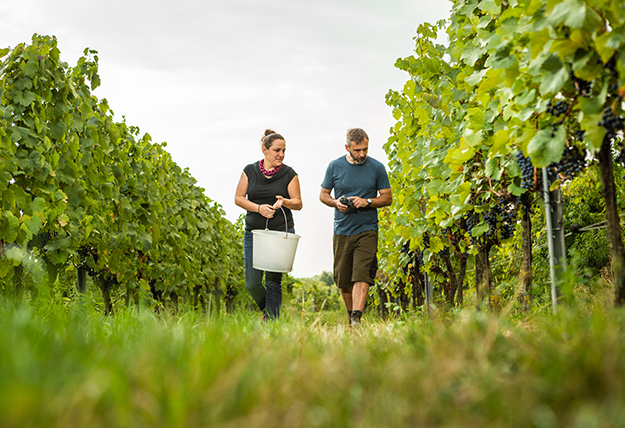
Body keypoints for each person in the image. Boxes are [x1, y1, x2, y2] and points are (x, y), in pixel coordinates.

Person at [319, 128, 392, 326]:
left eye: (365, 150)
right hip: (342, 229)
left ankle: (356, 319)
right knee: (343, 282)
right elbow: (323, 194)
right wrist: (336, 203)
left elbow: (387, 197)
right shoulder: (334, 167)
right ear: (347, 148)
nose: (362, 154)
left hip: (367, 228)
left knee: (362, 274)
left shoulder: (377, 167)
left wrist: (367, 201)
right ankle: (351, 315)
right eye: (357, 150)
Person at [235, 129, 303, 320]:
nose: (281, 154)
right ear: (265, 150)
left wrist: (285, 201)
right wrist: (258, 208)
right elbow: (238, 198)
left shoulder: (289, 174)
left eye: (284, 151)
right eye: (277, 150)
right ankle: (269, 312)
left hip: (281, 233)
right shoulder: (250, 170)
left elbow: (298, 202)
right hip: (254, 233)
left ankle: (271, 322)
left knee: (273, 282)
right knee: (252, 283)